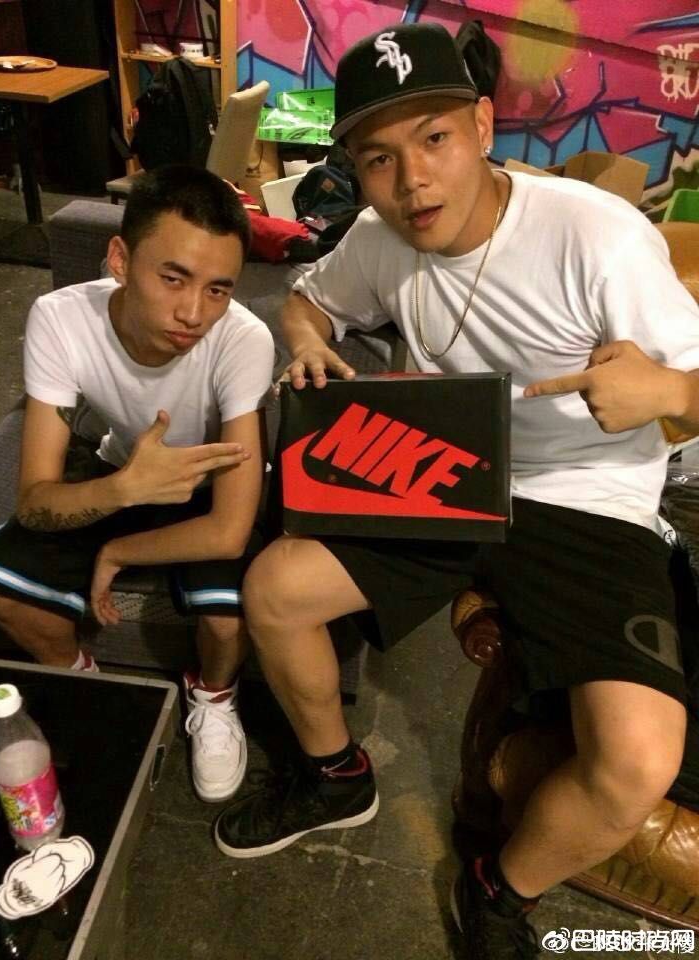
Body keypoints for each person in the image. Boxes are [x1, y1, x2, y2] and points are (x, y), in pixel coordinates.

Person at [210, 21, 699, 958]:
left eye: (433, 138)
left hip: (587, 496)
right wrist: (306, 341)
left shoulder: (597, 235)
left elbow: (691, 385)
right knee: (272, 590)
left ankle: (499, 888)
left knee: (637, 760)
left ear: (480, 125)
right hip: (446, 472)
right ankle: (336, 777)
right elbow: (309, 298)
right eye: (379, 158)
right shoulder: (377, 236)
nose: (413, 181)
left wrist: (672, 393)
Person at [0, 165, 275, 804]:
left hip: (206, 483)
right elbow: (35, 498)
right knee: (0, 590)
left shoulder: (243, 340)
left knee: (230, 620)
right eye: (173, 278)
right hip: (120, 470)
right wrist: (124, 489)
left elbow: (229, 530)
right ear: (119, 259)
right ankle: (84, 680)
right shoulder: (61, 318)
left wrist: (117, 551)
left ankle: (213, 694)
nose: (193, 313)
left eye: (218, 289)